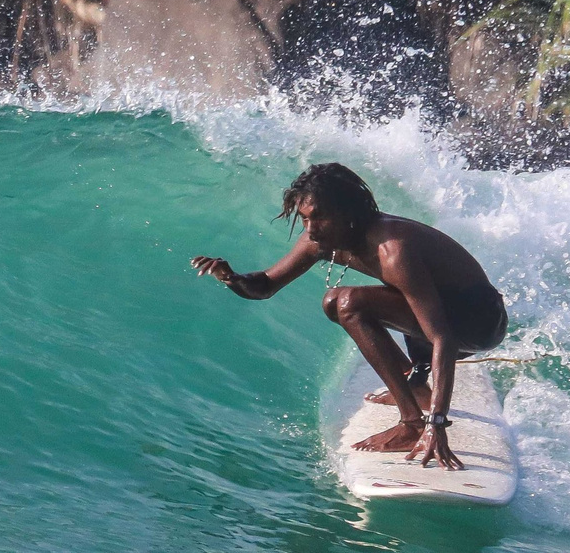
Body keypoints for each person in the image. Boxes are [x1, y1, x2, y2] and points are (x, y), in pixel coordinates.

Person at [193, 162, 507, 472]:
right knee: (336, 302)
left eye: (320, 217)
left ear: (347, 213)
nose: (311, 229)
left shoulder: (392, 249)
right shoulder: (321, 241)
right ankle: (415, 385)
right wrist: (231, 277)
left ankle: (412, 423)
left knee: (345, 302)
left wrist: (436, 425)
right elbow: (264, 287)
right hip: (436, 316)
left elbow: (443, 337)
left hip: (479, 322)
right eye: (304, 218)